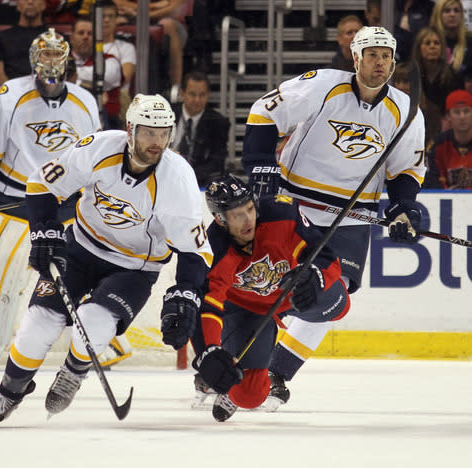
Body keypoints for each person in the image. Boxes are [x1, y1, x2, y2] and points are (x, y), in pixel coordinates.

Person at [0, 93, 212, 427]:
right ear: (130, 130)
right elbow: (41, 184)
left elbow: (196, 250)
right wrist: (44, 231)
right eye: (149, 133)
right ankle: (7, 395)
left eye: (164, 133)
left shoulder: (177, 177)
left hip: (135, 268)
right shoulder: (99, 148)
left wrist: (186, 292)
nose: (157, 142)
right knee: (39, 322)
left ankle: (73, 372)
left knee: (92, 322)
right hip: (81, 248)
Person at [241, 26, 426, 410]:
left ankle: (275, 375)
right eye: (372, 55)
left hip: (352, 217)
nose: (380, 63)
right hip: (296, 204)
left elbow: (405, 170)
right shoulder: (322, 85)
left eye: (387, 56)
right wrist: (260, 164)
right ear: (355, 58)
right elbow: (263, 111)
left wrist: (405, 208)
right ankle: (231, 361)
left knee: (328, 295)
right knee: (266, 285)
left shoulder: (406, 110)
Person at [0, 28, 101, 369]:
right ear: (34, 58)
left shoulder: (85, 100)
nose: (49, 61)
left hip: (65, 204)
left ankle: (99, 345)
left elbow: (94, 157)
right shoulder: (9, 94)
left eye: (55, 54)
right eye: (43, 54)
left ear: (66, 60)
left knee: (85, 272)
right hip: (14, 199)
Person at [191, 175, 350, 421]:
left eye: (250, 209)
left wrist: (314, 275)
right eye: (237, 215)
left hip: (290, 294)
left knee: (338, 303)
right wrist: (210, 351)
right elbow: (209, 306)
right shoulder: (214, 248)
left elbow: (326, 256)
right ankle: (233, 384)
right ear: (220, 219)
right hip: (247, 310)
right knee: (250, 396)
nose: (248, 220)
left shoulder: (281, 213)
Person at [171, 71, 229, 187]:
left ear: (208, 95)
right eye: (192, 94)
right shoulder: (167, 114)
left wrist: (185, 174)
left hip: (198, 180)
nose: (197, 100)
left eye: (202, 95)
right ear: (182, 94)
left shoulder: (218, 122)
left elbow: (217, 162)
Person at [412, 26, 465, 145]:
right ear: (419, 48)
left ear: (442, 48)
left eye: (437, 43)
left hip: (448, 133)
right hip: (416, 131)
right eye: (427, 43)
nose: (432, 46)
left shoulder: (454, 77)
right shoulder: (411, 76)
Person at [70, 16, 123, 129]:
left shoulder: (110, 60)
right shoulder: (63, 59)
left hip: (106, 121)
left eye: (90, 34)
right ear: (72, 38)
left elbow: (104, 76)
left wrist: (72, 77)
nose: (85, 37)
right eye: (81, 33)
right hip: (69, 117)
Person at [0, 0, 47, 86]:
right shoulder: (0, 37)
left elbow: (66, 72)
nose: (30, 2)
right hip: (12, 94)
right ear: (18, 5)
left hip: (48, 93)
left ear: (44, 5)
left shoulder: (56, 38)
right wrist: (13, 94)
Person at [425, 89, 472, 188]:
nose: (462, 117)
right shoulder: (437, 145)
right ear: (448, 116)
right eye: (457, 112)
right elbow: (431, 181)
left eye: (466, 111)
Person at [429, 0, 472, 89]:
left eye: (456, 10)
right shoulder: (429, 41)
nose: (452, 14)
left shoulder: (469, 41)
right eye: (447, 11)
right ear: (438, 14)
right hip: (434, 93)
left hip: (462, 97)